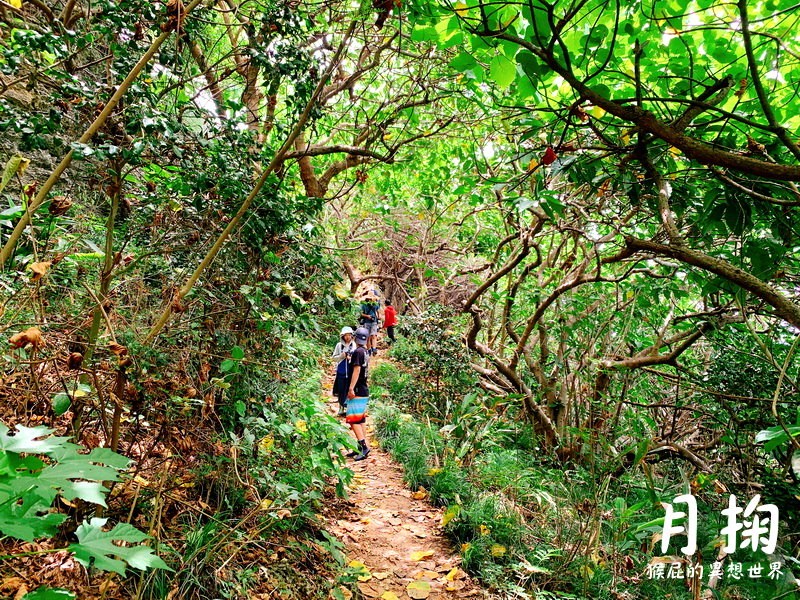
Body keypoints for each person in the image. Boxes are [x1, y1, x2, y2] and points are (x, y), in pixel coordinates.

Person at [346, 326, 371, 461]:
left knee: (353, 419)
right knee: (360, 419)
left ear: (355, 338)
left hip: (357, 389)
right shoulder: (365, 352)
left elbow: (356, 370)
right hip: (363, 388)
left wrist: (351, 388)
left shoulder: (358, 352)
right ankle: (360, 446)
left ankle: (364, 447)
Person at [331, 326, 356, 417]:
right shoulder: (339, 345)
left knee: (349, 390)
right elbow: (333, 358)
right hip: (341, 371)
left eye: (349, 335)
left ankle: (349, 408)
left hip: (350, 371)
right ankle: (341, 407)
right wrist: (341, 356)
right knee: (341, 390)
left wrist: (351, 358)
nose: (347, 337)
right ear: (342, 336)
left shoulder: (354, 345)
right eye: (346, 335)